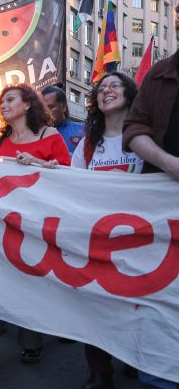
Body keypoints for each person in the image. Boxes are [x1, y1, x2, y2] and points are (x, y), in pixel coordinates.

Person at [0, 83, 70, 370]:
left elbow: (71, 177)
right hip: (5, 221)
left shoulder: (51, 135)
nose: (3, 105)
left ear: (28, 104)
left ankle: (31, 342)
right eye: (1, 101)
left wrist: (37, 164)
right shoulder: (2, 138)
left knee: (30, 281)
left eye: (10, 100)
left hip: (39, 223)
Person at [69, 72, 141, 389]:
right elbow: (70, 187)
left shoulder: (145, 139)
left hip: (139, 241)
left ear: (130, 93)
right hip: (96, 241)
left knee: (137, 306)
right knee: (94, 305)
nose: (106, 90)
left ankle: (137, 358)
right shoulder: (88, 145)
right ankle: (99, 371)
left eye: (115, 85)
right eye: (101, 88)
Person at [122, 3, 179, 389]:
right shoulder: (159, 75)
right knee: (158, 296)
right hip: (160, 210)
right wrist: (169, 163)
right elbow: (134, 129)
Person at [42, 85, 84, 154]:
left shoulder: (83, 130)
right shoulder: (34, 135)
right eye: (43, 108)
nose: (46, 112)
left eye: (50, 107)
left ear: (64, 107)